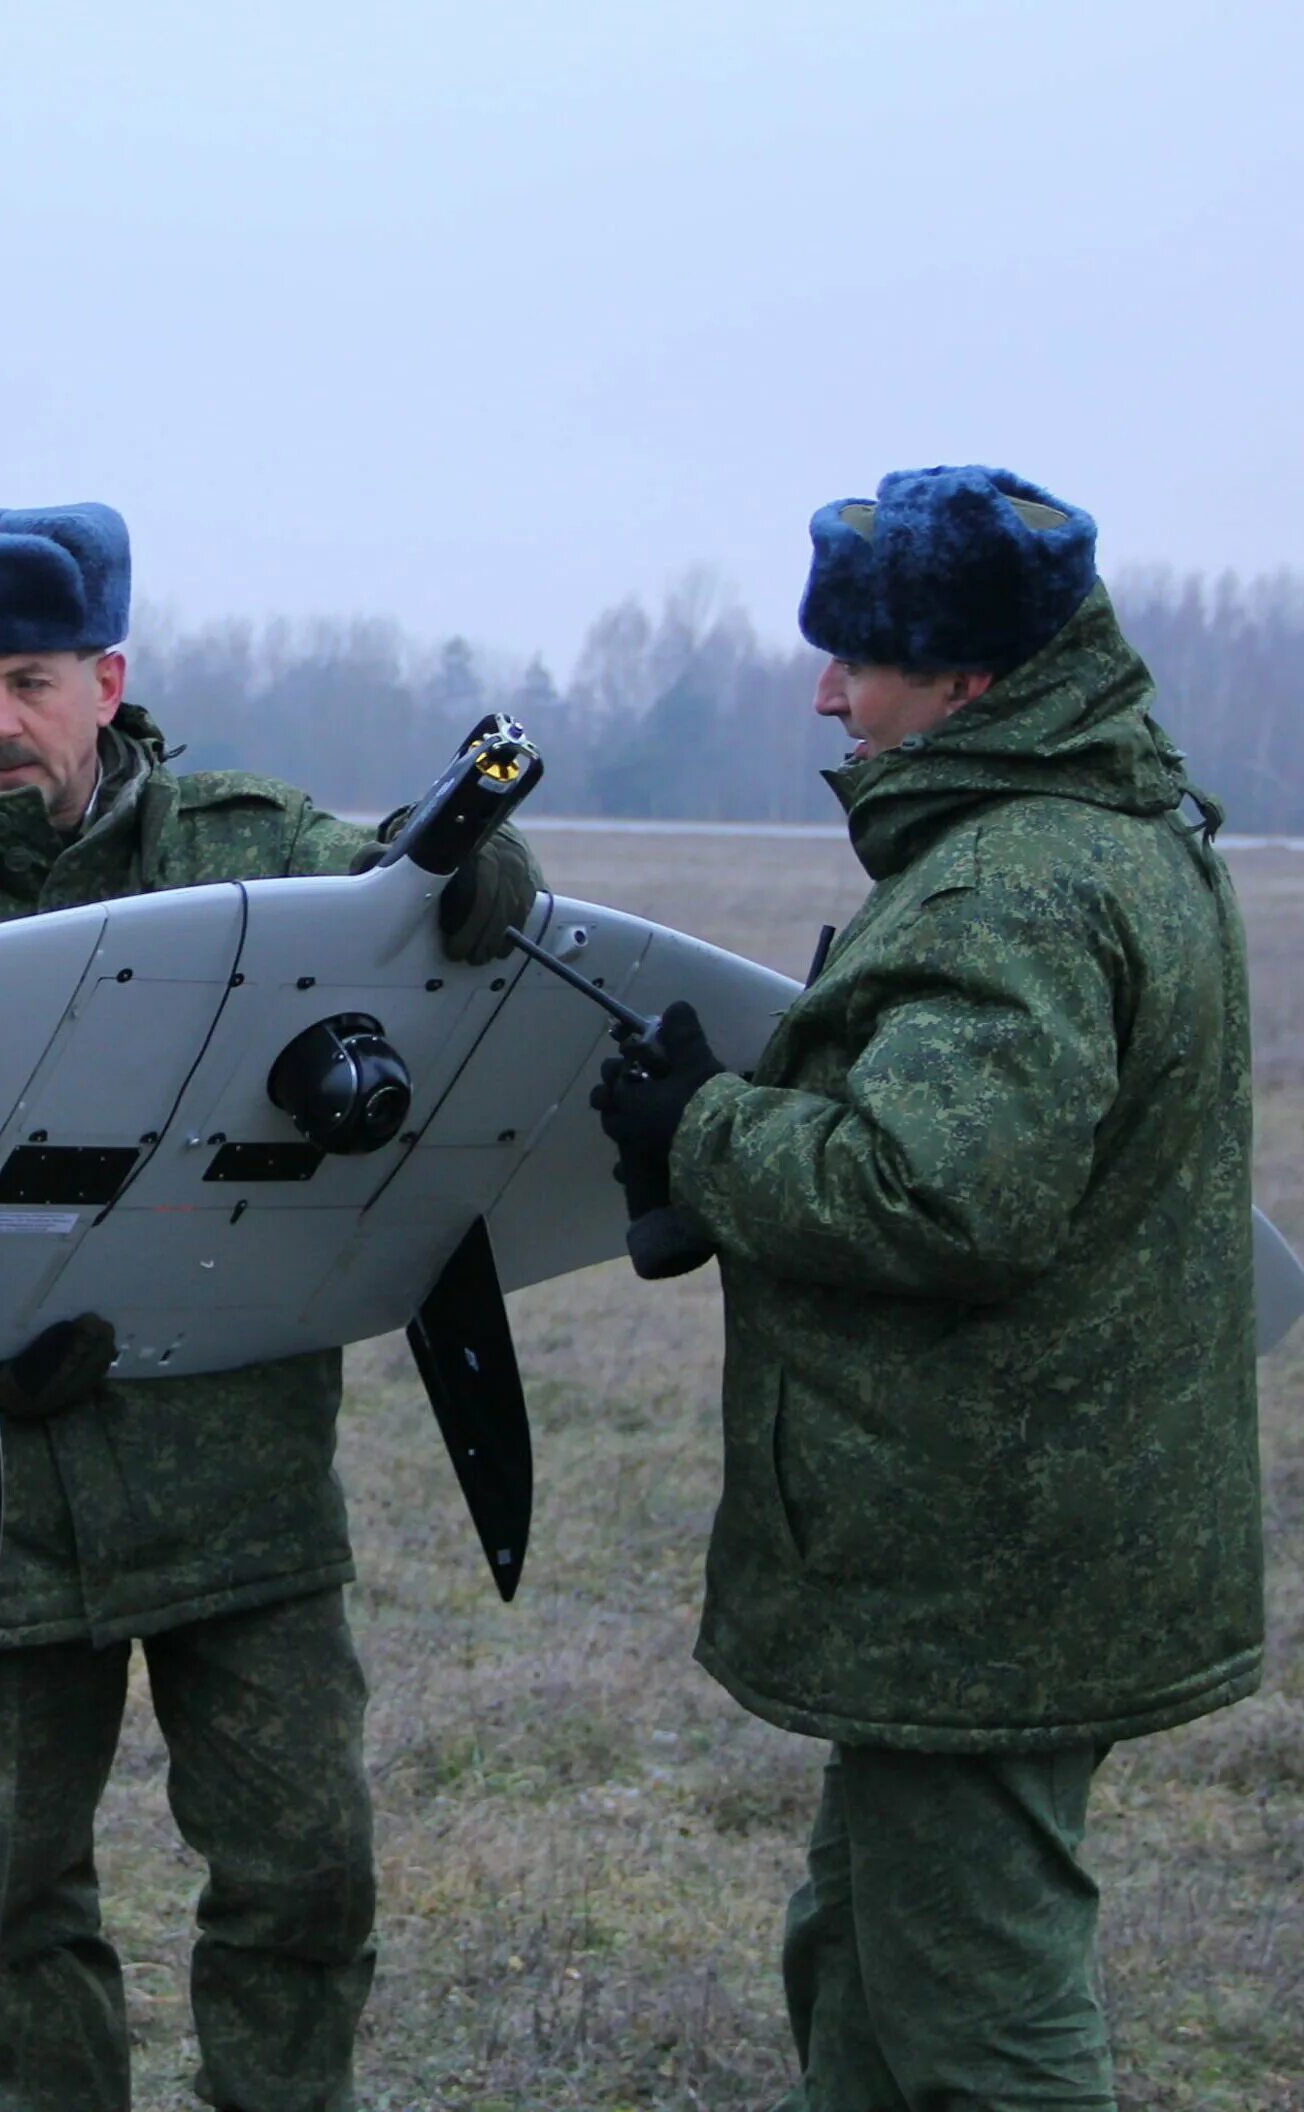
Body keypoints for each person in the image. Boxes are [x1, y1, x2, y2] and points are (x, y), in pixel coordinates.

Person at [0, 503, 538, 2112]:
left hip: (239, 1479)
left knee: (305, 1873)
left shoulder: (252, 847)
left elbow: (415, 909)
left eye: (28, 681)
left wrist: (487, 878)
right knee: (16, 1903)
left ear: (108, 677)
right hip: (3, 1493)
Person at [592, 466, 1263, 2109]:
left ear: (967, 682)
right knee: (867, 1950)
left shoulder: (1019, 883)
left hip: (989, 1576)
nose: (827, 690)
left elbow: (942, 1199)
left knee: (979, 2006)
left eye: (858, 660)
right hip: (1018, 1553)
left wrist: (707, 1132)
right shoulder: (1115, 836)